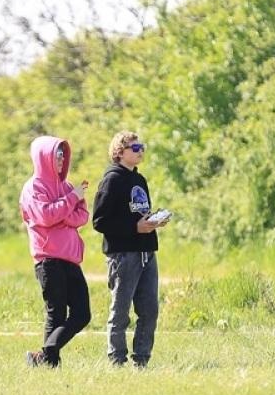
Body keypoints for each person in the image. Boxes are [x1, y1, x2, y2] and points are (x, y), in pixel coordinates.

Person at [91, 131, 167, 367]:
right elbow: (99, 221)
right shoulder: (112, 180)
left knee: (149, 310)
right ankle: (117, 359)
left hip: (146, 251)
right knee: (121, 311)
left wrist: (153, 221)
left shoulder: (139, 180)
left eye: (141, 146)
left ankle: (142, 359)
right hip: (123, 255)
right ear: (119, 151)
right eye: (135, 148)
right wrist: (134, 227)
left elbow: (139, 214)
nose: (140, 151)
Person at [19, 135, 91, 368]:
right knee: (56, 313)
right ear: (44, 157)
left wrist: (64, 211)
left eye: (63, 154)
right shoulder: (33, 187)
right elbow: (46, 216)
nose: (61, 159)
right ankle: (50, 363)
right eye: (57, 154)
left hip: (71, 259)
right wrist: (70, 201)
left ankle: (46, 351)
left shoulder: (67, 186)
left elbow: (82, 216)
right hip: (48, 259)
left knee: (82, 314)